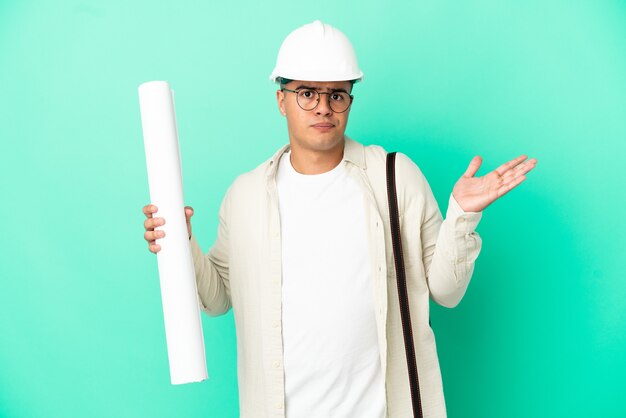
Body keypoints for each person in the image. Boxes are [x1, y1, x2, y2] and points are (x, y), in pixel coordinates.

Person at [142, 20, 536, 418]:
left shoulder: (394, 178)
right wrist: (180, 243)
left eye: (337, 95)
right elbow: (217, 298)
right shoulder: (245, 196)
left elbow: (447, 292)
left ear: (350, 100)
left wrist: (463, 215)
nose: (323, 108)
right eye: (307, 94)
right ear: (281, 100)